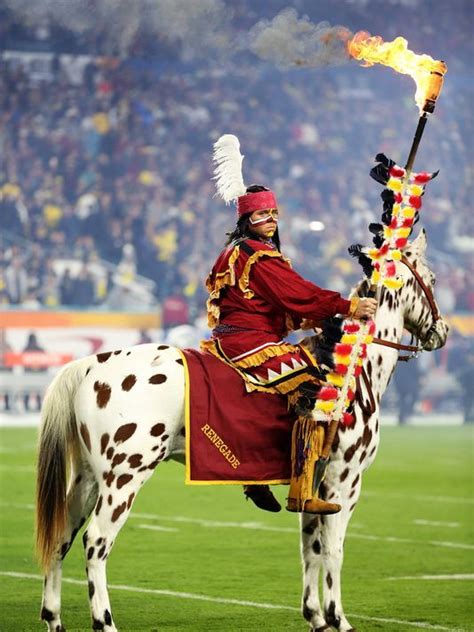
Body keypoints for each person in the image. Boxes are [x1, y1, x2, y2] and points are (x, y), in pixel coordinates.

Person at [202, 135, 377, 515]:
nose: (269, 221)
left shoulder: (236, 251)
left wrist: (315, 319)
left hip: (231, 339)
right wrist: (347, 306)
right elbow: (297, 295)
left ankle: (257, 474)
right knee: (316, 389)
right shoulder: (257, 255)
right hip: (250, 344)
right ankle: (301, 490)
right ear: (247, 220)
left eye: (273, 215)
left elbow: (275, 304)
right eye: (261, 216)